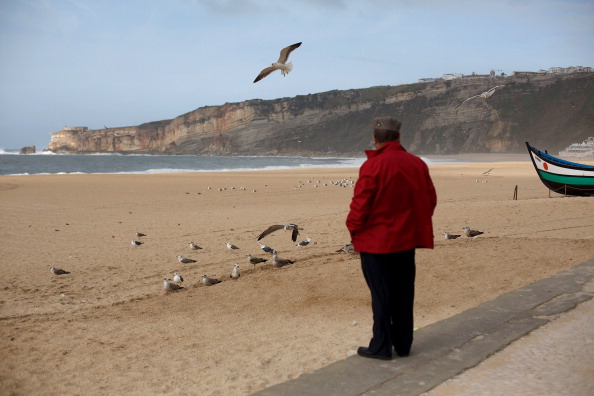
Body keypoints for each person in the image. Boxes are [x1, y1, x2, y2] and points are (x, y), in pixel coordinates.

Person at [346, 116, 437, 360]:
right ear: (398, 137)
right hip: (406, 240)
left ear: (375, 140)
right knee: (404, 293)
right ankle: (404, 343)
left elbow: (360, 205)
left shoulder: (373, 165)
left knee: (381, 295)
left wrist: (353, 229)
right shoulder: (416, 163)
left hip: (377, 242)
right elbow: (429, 200)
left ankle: (381, 346)